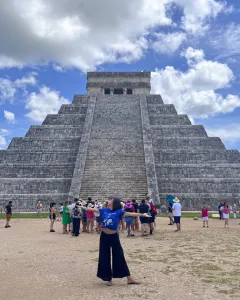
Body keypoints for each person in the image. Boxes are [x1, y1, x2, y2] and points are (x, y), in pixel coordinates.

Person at [80, 196, 151, 286]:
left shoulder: (119, 212)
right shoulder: (104, 210)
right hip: (104, 236)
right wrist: (83, 207)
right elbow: (93, 209)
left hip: (113, 236)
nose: (108, 200)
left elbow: (130, 213)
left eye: (110, 200)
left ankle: (129, 278)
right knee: (104, 256)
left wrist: (142, 214)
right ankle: (108, 278)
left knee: (119, 255)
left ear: (114, 203)